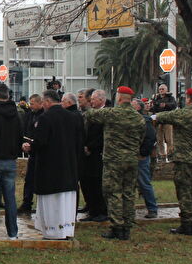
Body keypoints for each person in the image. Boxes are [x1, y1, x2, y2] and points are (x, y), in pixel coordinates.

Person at [85, 86, 145, 240]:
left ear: (118, 98)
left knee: (113, 192)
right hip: (131, 160)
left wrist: (87, 103)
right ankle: (127, 226)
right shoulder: (138, 117)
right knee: (128, 193)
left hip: (114, 160)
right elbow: (142, 137)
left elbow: (91, 115)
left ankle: (117, 226)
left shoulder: (112, 113)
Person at [24, 90, 83, 239]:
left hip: (50, 168)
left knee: (52, 203)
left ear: (48, 102)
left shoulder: (45, 118)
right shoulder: (73, 117)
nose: (43, 105)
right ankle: (66, 230)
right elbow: (79, 140)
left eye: (43, 102)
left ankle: (52, 231)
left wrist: (30, 146)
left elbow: (40, 141)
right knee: (65, 203)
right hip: (69, 166)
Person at [152, 88, 192, 235]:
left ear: (189, 99)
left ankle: (187, 224)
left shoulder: (182, 114)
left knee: (184, 192)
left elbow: (159, 117)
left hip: (184, 160)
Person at [0, 83, 22, 240]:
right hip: (10, 160)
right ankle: (13, 233)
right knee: (10, 199)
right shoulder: (17, 114)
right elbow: (20, 135)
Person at [79, 89, 108, 222]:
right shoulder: (91, 113)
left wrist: (90, 146)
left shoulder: (106, 113)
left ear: (101, 100)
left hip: (98, 153)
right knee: (88, 182)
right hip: (88, 153)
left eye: (94, 99)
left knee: (97, 183)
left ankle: (100, 211)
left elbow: (103, 135)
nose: (91, 102)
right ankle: (92, 208)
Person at [132, 98, 158, 218]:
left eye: (132, 104)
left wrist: (143, 153)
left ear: (138, 107)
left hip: (140, 157)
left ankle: (152, 209)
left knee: (144, 183)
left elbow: (151, 137)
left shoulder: (144, 120)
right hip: (131, 156)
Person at [18, 94, 43, 215]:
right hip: (31, 152)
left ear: (40, 103)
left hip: (41, 152)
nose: (31, 105)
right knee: (29, 179)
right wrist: (25, 143)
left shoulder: (43, 116)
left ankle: (41, 205)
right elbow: (25, 131)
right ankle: (27, 202)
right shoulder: (29, 115)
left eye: (32, 103)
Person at [151, 83, 177, 162]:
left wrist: (165, 105)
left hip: (168, 120)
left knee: (169, 139)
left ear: (166, 90)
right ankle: (162, 155)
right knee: (159, 139)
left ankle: (170, 154)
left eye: (163, 89)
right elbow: (154, 107)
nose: (161, 90)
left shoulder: (170, 98)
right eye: (160, 89)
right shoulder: (156, 98)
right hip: (158, 120)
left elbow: (174, 105)